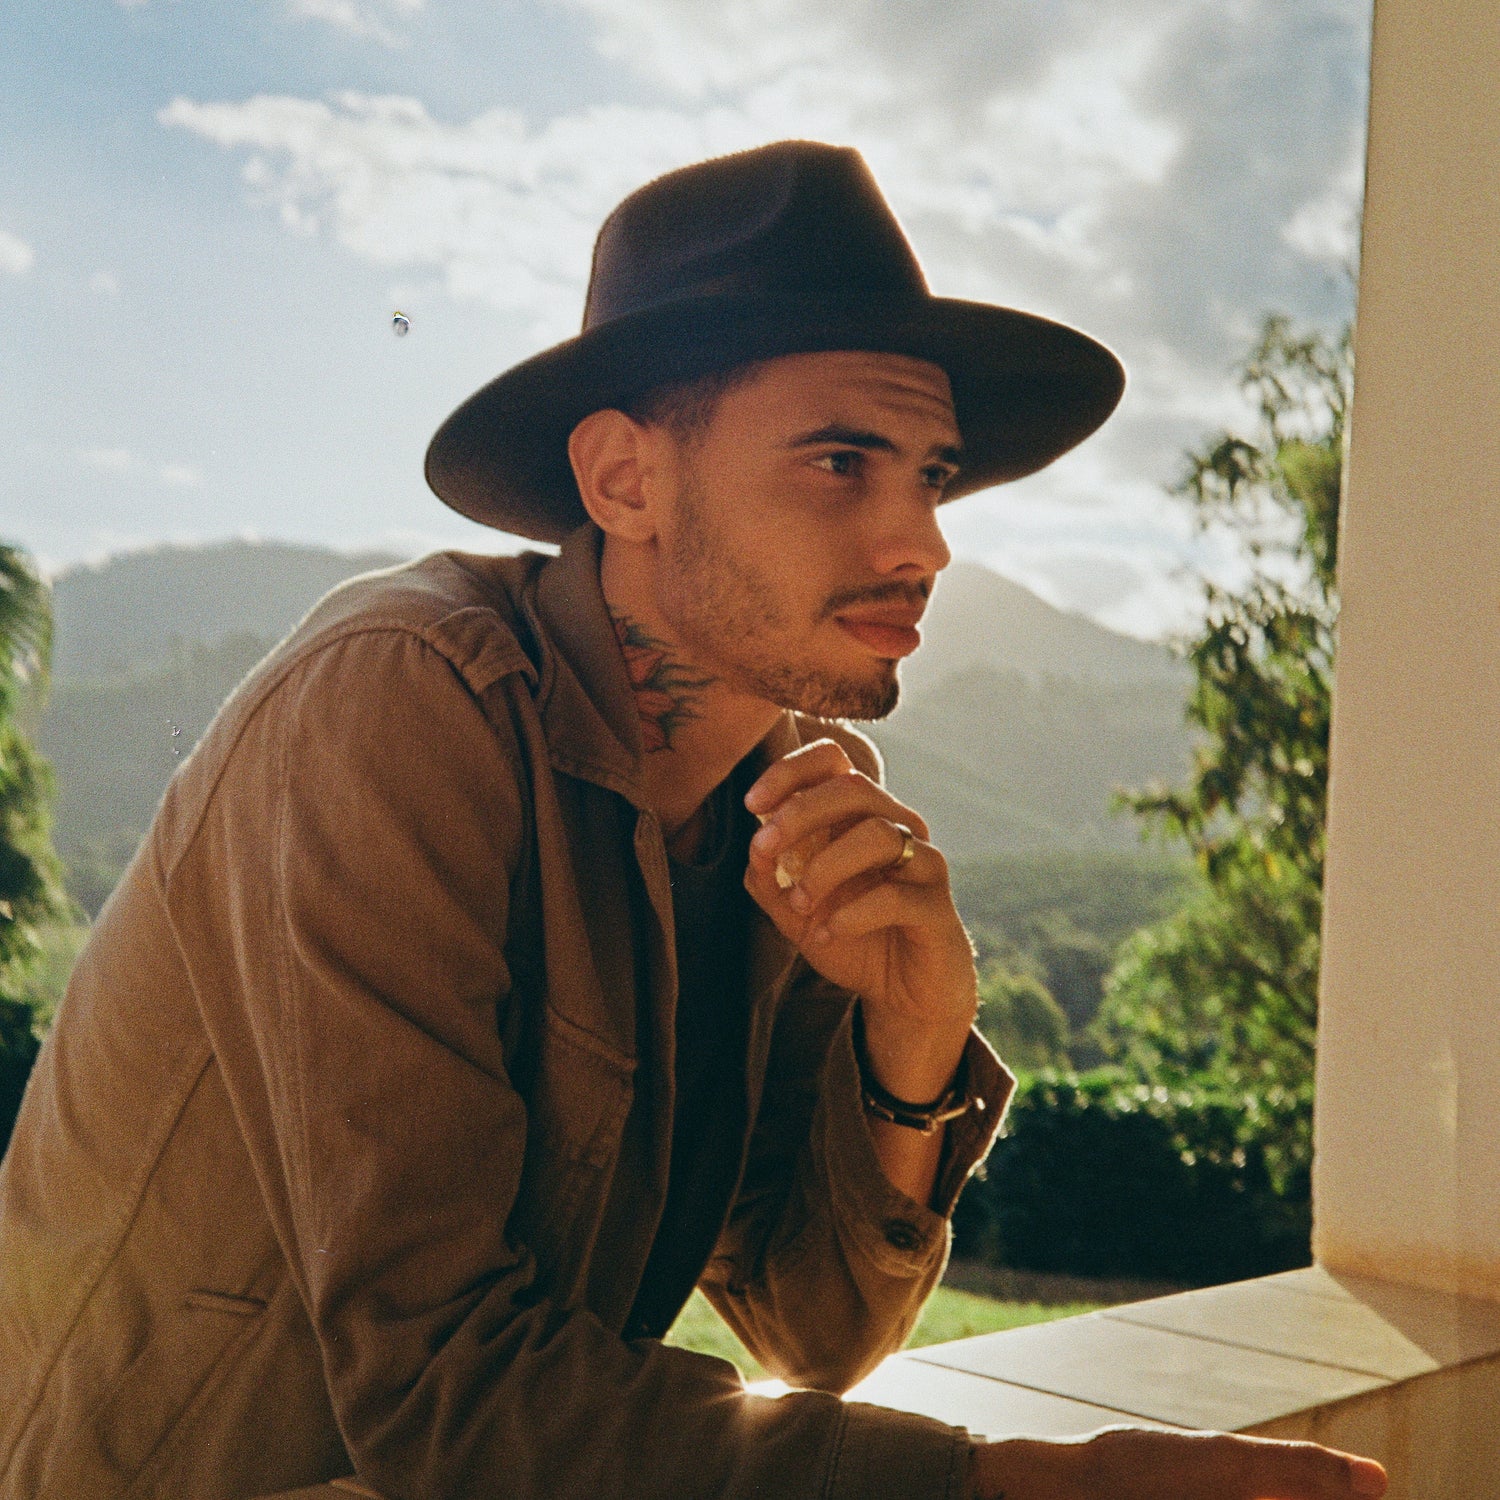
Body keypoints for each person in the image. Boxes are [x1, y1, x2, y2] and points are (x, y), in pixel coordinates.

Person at [0, 142, 1385, 1500]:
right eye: (843, 460)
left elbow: (818, 1334)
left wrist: (910, 1049)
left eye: (934, 475)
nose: (924, 542)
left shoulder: (773, 807)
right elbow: (443, 1395)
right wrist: (1033, 1487)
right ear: (623, 482)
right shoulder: (407, 700)